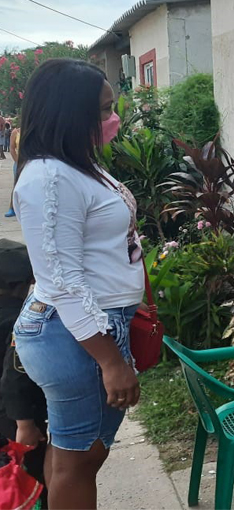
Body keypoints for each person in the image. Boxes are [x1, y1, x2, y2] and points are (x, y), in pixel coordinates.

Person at [13, 58, 143, 510]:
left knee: (76, 454)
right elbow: (62, 282)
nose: (113, 119)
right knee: (80, 457)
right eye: (104, 111)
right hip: (76, 335)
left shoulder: (75, 164)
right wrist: (111, 361)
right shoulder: (49, 178)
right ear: (71, 114)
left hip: (91, 327)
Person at [0, 239, 48, 507]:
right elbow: (15, 376)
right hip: (17, 417)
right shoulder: (21, 321)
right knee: (33, 476)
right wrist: (26, 424)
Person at [6, 121, 20, 218]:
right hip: (19, 162)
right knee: (16, 184)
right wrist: (17, 161)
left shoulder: (33, 131)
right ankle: (12, 208)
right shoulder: (16, 132)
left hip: (31, 162)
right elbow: (12, 148)